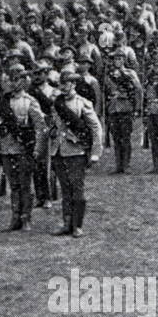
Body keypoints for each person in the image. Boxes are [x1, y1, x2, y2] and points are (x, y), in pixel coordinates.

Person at [49, 71, 102, 236]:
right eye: (61, 84)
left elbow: (95, 128)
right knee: (65, 189)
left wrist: (95, 153)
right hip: (58, 150)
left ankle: (77, 225)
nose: (62, 87)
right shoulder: (56, 103)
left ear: (73, 84)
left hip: (76, 151)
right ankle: (67, 223)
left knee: (77, 189)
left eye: (66, 84)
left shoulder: (82, 103)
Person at [0, 63, 45, 231]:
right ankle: (15, 217)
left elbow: (40, 127)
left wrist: (38, 149)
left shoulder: (29, 102)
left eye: (17, 80)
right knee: (13, 185)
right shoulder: (3, 101)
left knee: (25, 184)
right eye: (11, 79)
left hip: (23, 149)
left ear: (24, 82)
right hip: (6, 148)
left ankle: (26, 218)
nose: (13, 83)